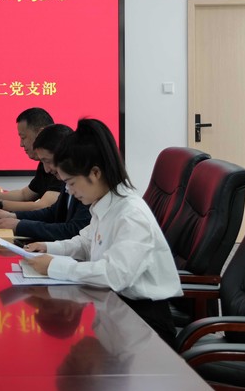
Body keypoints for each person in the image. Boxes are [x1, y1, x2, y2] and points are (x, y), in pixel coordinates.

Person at [24, 119, 181, 345]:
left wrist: (55, 266)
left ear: (95, 173)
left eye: (71, 182)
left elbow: (115, 275)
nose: (69, 191)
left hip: (144, 324)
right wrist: (48, 248)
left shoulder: (130, 214)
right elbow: (86, 242)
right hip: (116, 311)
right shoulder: (105, 204)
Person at [0, 124, 92, 240]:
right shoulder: (65, 179)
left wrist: (20, 225)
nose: (46, 170)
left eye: (47, 161)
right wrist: (13, 216)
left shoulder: (87, 186)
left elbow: (74, 231)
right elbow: (52, 213)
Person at [0, 107, 64, 211]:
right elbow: (24, 195)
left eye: (23, 137)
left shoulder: (60, 163)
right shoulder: (45, 164)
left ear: (40, 134)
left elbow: (43, 206)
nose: (21, 144)